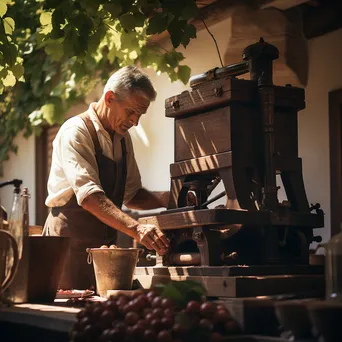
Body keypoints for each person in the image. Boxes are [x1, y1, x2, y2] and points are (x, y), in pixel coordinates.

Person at [43, 66, 170, 290]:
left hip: (105, 254)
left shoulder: (122, 139)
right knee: (68, 318)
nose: (135, 121)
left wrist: (171, 198)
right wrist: (138, 228)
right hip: (68, 249)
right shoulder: (75, 132)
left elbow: (132, 195)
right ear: (110, 97)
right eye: (131, 112)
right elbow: (89, 197)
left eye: (139, 115)